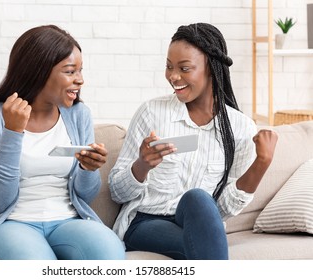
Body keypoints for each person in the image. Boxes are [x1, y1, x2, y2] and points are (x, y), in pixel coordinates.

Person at [108, 23, 278, 260]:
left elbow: (224, 210)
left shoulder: (240, 128)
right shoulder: (152, 113)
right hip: (146, 222)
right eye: (169, 67)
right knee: (205, 247)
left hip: (201, 223)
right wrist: (142, 165)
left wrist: (262, 162)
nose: (173, 76)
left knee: (198, 198)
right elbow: (117, 192)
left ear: (211, 68)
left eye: (184, 68)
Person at [0, 25, 125, 260]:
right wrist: (12, 132)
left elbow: (86, 195)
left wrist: (87, 168)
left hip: (68, 220)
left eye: (80, 71)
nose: (80, 80)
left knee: (111, 253)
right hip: (12, 224)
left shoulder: (79, 114)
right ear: (38, 71)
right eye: (70, 71)